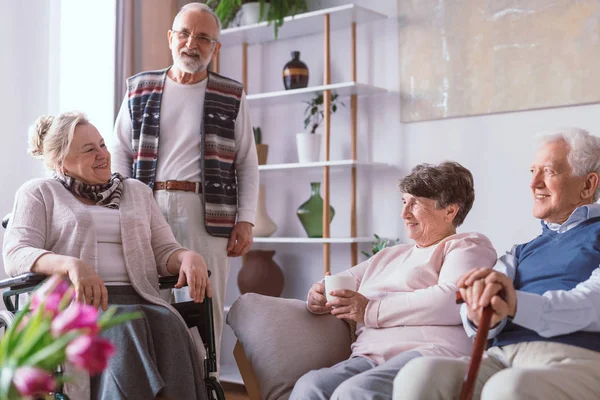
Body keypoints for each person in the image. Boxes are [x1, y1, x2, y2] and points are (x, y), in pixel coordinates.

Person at [3, 112, 211, 400]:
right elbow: (16, 253)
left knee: (169, 323)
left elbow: (164, 251)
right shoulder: (39, 192)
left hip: (142, 298)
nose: (102, 154)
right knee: (126, 325)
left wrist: (187, 257)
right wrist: (70, 265)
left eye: (102, 145)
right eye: (89, 149)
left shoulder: (136, 191)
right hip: (81, 304)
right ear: (60, 161)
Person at [394, 128, 600, 400]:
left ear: (588, 184)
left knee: (507, 389)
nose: (533, 183)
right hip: (502, 356)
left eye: (548, 171)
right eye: (532, 171)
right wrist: (479, 309)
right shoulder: (520, 251)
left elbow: (592, 303)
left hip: (576, 358)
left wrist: (514, 303)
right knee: (419, 374)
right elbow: (478, 320)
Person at [108, 2, 258, 368]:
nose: (193, 43)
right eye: (185, 34)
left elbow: (247, 162)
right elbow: (119, 151)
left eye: (204, 38)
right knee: (149, 299)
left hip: (208, 213)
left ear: (215, 48)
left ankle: (206, 384)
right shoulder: (139, 88)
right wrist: (122, 205)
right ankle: (155, 385)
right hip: (147, 205)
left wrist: (246, 219)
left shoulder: (231, 94)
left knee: (204, 306)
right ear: (171, 38)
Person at [289, 162, 497, 400]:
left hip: (428, 354)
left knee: (355, 393)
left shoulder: (467, 245)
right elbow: (343, 282)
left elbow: (453, 299)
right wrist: (318, 294)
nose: (404, 213)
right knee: (311, 385)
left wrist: (370, 309)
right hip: (369, 356)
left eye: (416, 203)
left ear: (450, 211)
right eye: (404, 201)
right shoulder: (390, 255)